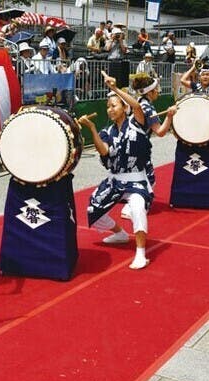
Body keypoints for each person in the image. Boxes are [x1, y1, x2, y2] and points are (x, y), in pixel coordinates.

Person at [79, 73, 152, 270]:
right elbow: (104, 151)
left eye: (114, 105)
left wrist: (114, 88)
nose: (110, 109)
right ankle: (120, 233)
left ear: (124, 107)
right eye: (108, 106)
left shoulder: (136, 122)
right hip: (115, 180)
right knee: (93, 211)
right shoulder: (107, 131)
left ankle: (141, 253)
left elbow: (137, 107)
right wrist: (92, 129)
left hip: (136, 179)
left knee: (137, 207)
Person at [120, 73, 177, 220]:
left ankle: (128, 201)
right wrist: (169, 116)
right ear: (150, 92)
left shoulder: (138, 102)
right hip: (139, 146)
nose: (158, 91)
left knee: (137, 175)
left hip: (129, 143)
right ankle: (131, 208)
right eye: (156, 88)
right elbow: (160, 132)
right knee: (148, 179)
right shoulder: (148, 108)